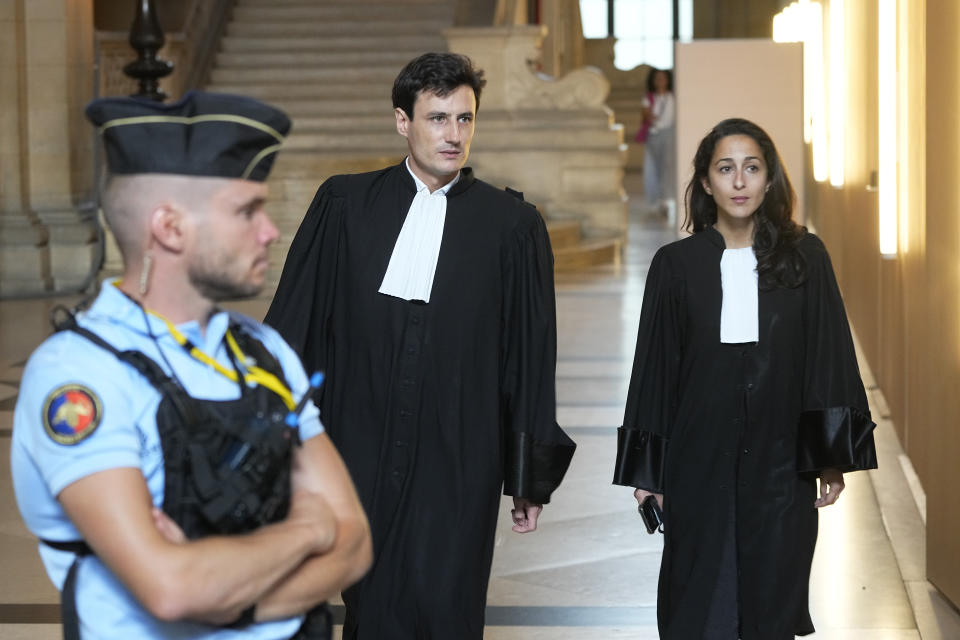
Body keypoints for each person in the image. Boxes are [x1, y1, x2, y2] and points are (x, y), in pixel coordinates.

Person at [10, 91, 372, 639]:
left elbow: (354, 542)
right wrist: (304, 530)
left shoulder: (263, 351)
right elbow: (171, 589)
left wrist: (226, 598)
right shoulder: (78, 374)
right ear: (170, 227)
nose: (270, 230)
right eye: (247, 211)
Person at [265, 52, 576, 639]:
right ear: (403, 122)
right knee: (369, 600)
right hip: (357, 443)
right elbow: (294, 329)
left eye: (464, 119)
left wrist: (527, 474)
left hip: (461, 453)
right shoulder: (345, 206)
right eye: (437, 118)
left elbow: (529, 358)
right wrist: (277, 451)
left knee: (449, 601)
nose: (453, 135)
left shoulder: (512, 226)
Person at [613, 118, 878, 639]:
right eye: (726, 169)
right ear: (707, 182)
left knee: (772, 596)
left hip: (781, 467)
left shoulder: (805, 258)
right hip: (696, 461)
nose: (740, 182)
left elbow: (827, 356)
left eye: (752, 168)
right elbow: (654, 370)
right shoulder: (676, 266)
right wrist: (650, 471)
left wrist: (828, 456)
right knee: (699, 600)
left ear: (769, 178)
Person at [640, 67, 676, 211]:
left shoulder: (673, 96)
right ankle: (655, 198)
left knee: (668, 166)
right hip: (654, 135)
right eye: (657, 78)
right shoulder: (649, 97)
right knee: (653, 167)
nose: (660, 81)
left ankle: (666, 197)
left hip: (670, 134)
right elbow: (646, 114)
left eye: (663, 78)